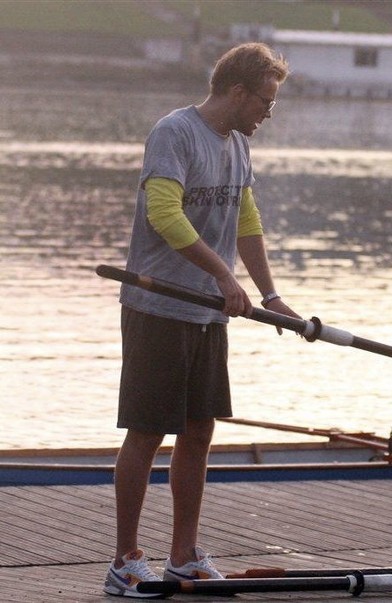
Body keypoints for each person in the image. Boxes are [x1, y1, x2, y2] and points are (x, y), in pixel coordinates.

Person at [103, 43, 300, 598]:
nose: (268, 112)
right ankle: (124, 560)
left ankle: (183, 556)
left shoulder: (237, 144)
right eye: (265, 100)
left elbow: (246, 219)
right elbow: (163, 214)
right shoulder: (175, 133)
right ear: (237, 92)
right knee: (146, 432)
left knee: (199, 430)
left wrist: (270, 293)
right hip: (159, 308)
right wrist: (221, 276)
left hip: (209, 314)